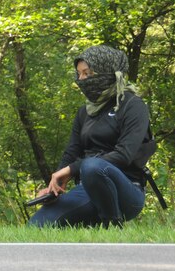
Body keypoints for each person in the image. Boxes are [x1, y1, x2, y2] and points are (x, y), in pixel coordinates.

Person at [29, 45, 154, 228]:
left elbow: (124, 154)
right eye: (79, 74)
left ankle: (112, 224)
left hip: (127, 191)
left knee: (92, 165)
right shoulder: (85, 112)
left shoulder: (133, 106)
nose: (81, 79)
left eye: (87, 73)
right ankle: (92, 224)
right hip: (87, 189)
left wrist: (73, 169)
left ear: (105, 71)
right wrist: (53, 186)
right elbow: (72, 151)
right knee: (38, 226)